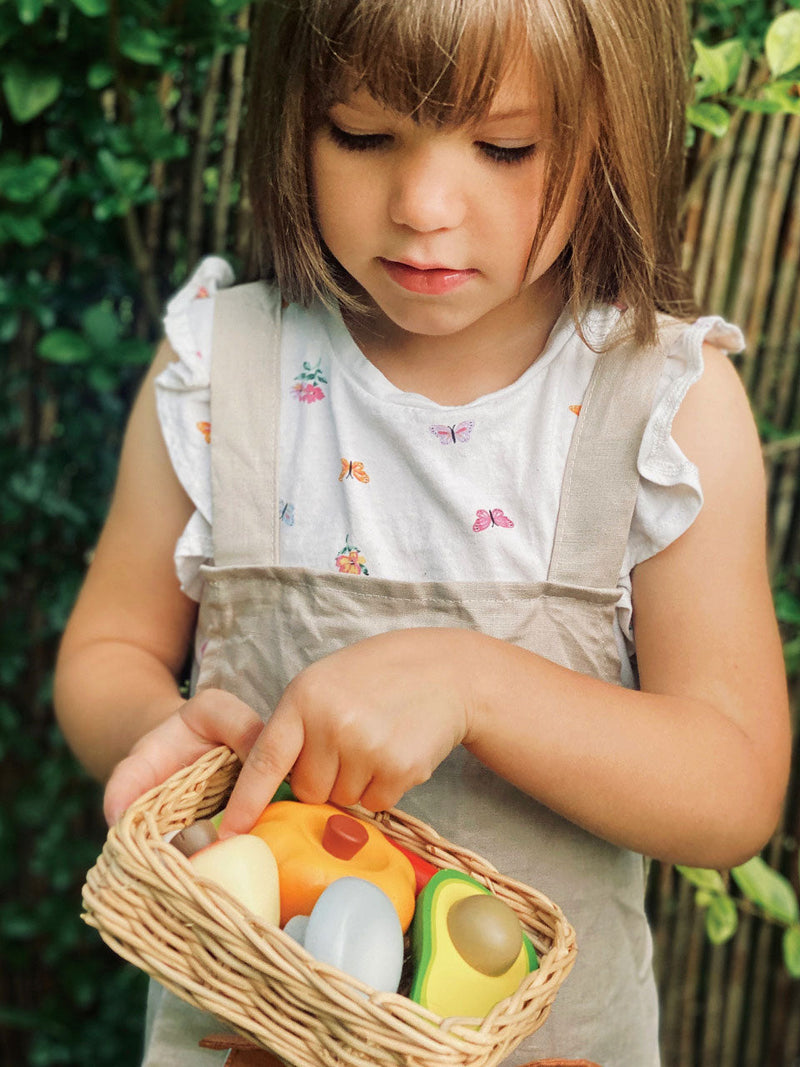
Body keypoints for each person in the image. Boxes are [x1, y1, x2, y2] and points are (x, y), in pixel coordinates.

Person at [54, 0, 791, 1064]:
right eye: (359, 133)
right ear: (291, 115)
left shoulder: (662, 405)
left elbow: (729, 787)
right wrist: (154, 730)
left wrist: (474, 683)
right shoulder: (223, 371)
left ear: (610, 131)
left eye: (503, 147)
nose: (422, 204)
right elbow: (106, 651)